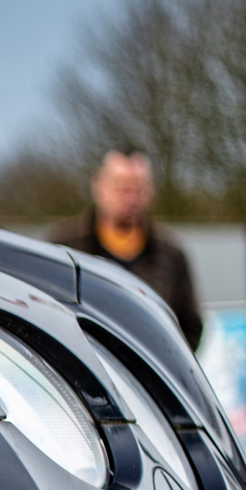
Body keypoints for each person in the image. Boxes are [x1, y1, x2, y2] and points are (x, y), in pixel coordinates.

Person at [52, 148, 202, 348]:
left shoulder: (172, 254)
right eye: (120, 185)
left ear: (151, 191)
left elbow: (190, 329)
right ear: (98, 185)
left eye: (138, 187)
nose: (130, 195)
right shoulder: (64, 246)